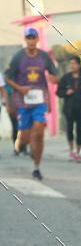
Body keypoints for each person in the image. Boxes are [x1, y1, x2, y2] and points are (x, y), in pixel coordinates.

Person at [5, 27, 58, 180]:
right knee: (26, 137)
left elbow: (54, 75)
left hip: (40, 100)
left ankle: (36, 167)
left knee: (39, 133)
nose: (31, 40)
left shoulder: (44, 57)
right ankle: (20, 144)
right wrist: (20, 88)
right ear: (25, 40)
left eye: (33, 38)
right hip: (22, 101)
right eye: (28, 38)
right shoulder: (18, 57)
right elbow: (7, 77)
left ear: (37, 39)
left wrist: (54, 79)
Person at [56, 55, 81, 161]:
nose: (72, 66)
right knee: (69, 129)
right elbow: (58, 92)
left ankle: (78, 151)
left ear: (79, 64)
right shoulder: (66, 78)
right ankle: (72, 150)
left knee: (79, 130)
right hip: (69, 108)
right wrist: (66, 92)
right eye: (70, 64)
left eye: (74, 63)